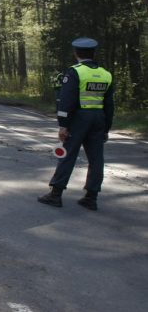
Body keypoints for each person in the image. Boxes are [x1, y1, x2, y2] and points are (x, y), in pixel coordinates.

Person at [38, 37, 114, 211]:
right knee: (96, 159)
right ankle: (91, 197)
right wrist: (106, 128)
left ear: (76, 53)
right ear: (94, 53)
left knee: (68, 154)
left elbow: (66, 101)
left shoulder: (75, 72)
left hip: (79, 118)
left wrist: (63, 125)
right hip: (98, 118)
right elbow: (110, 105)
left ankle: (56, 194)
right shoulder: (106, 74)